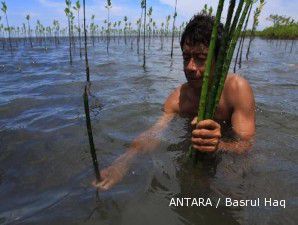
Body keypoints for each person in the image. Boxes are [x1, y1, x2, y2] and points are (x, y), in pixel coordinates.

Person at [94, 13, 255, 191]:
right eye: (186, 58)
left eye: (201, 59)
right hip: (191, 148)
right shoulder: (177, 98)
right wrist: (123, 162)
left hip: (223, 147)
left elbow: (246, 145)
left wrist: (219, 145)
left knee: (232, 179)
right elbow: (153, 134)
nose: (190, 67)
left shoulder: (237, 89)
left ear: (219, 61)